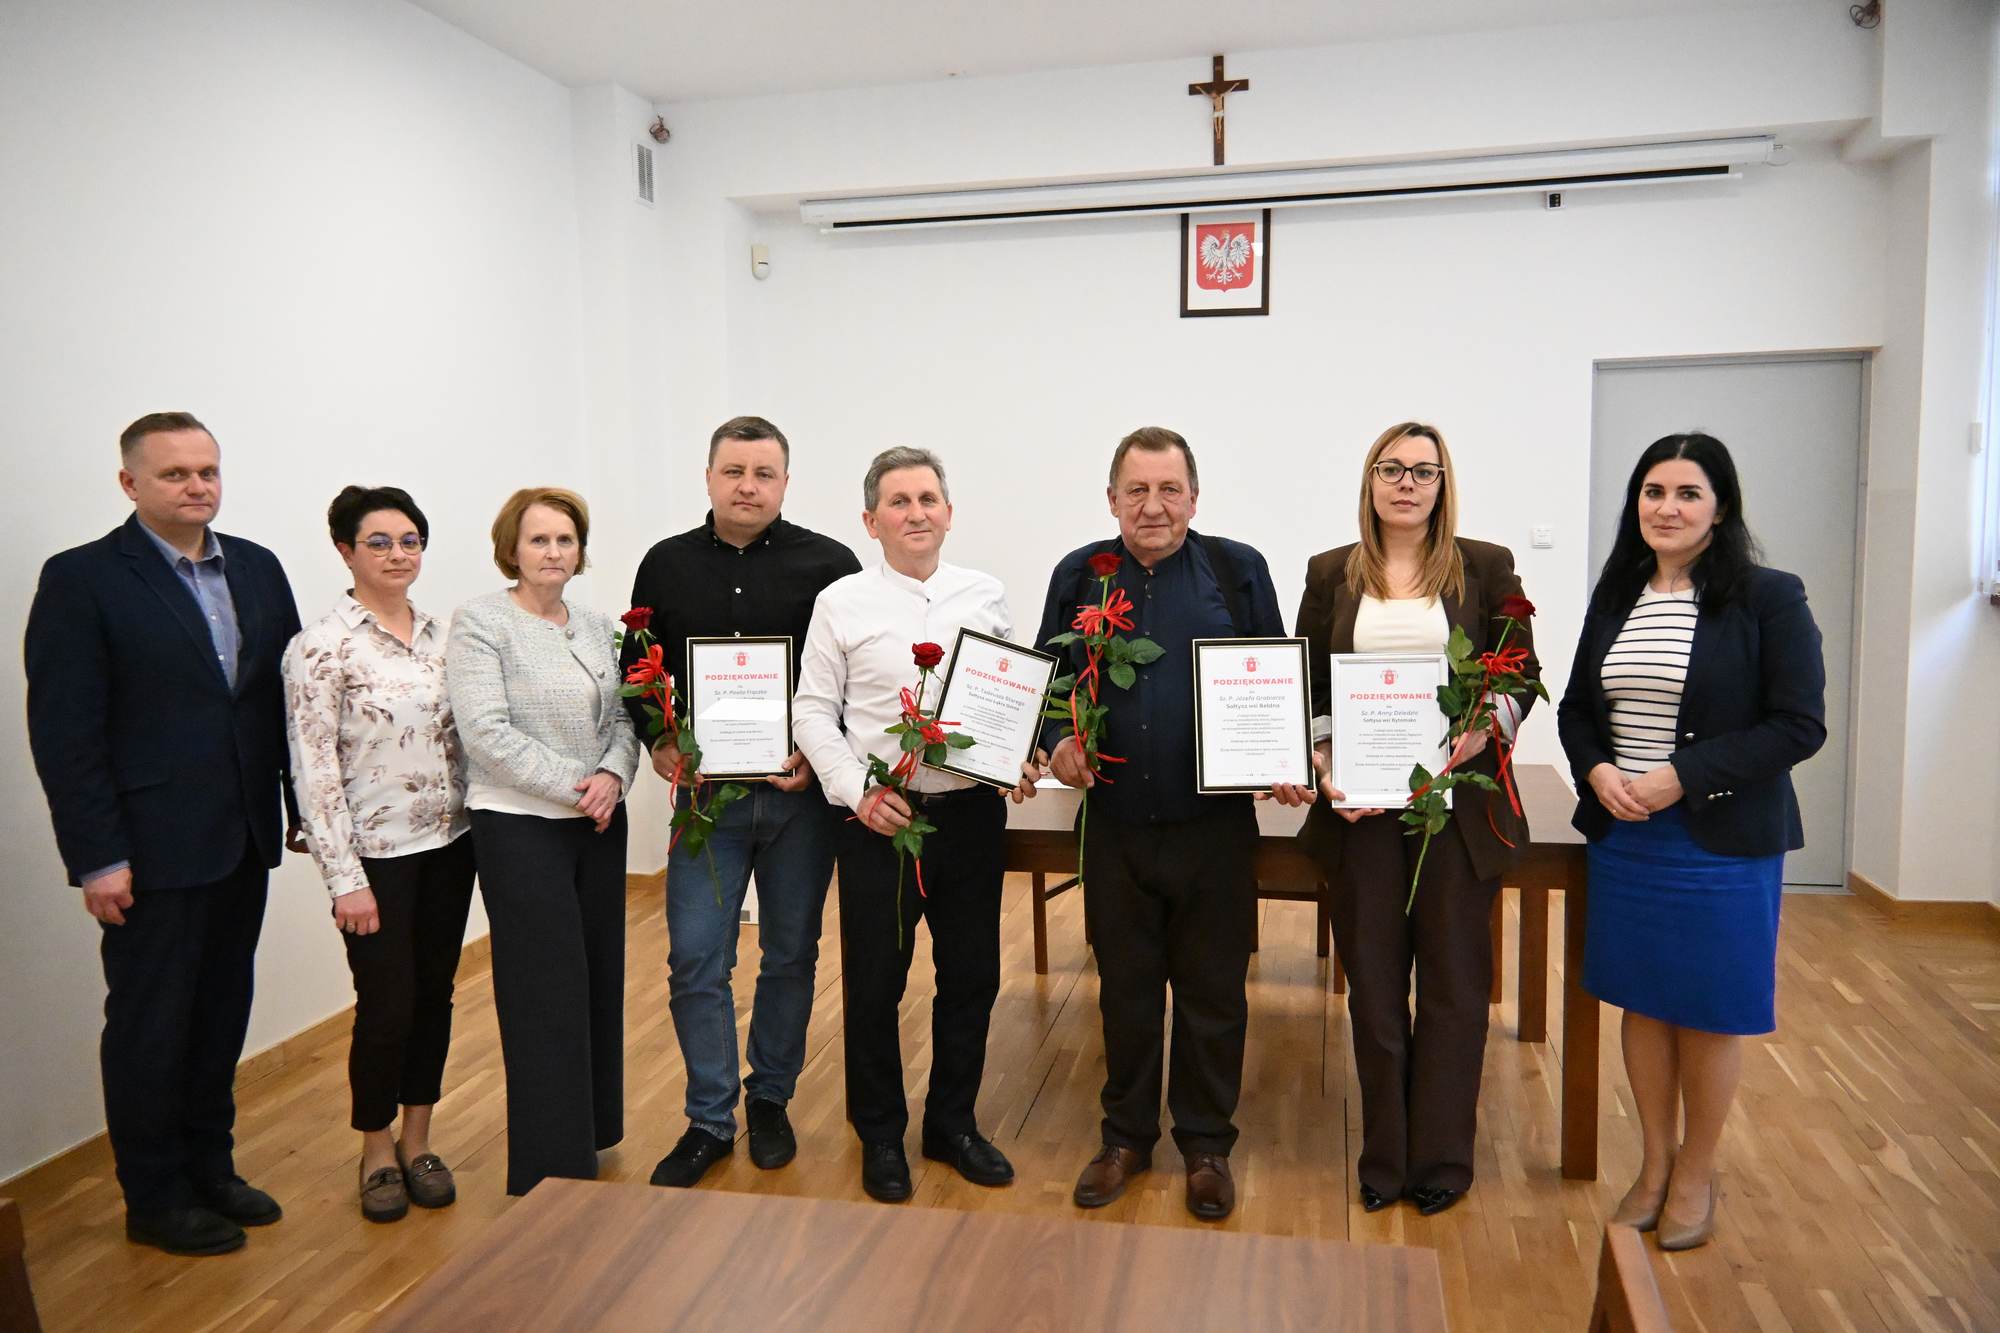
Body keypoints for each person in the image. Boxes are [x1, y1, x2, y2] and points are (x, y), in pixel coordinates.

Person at [24, 412, 302, 1256]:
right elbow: (66, 732)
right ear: (130, 483)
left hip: (241, 834)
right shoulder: (82, 579)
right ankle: (155, 1197)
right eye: (176, 473)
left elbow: (286, 701)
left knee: (220, 1015)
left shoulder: (256, 566)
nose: (197, 486)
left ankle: (212, 1169)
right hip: (147, 850)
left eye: (207, 470)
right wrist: (97, 857)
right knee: (152, 1027)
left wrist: (303, 811)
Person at [1558, 432, 1824, 1251]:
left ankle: (1697, 1172)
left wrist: (1682, 774)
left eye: (1687, 493)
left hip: (1721, 839)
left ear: (1721, 507)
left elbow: (1798, 724)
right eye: (1653, 491)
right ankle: (1653, 1163)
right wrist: (1598, 769)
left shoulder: (1769, 597)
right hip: (1627, 834)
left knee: (1708, 1009)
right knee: (1642, 1000)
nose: (1666, 508)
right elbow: (1576, 709)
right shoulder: (1618, 595)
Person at [1037, 426, 1306, 1223]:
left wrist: (1283, 752)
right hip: (1115, 824)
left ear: (1194, 496)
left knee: (1213, 992)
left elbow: (1274, 674)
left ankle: (1206, 1145)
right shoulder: (1080, 574)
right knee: (1123, 989)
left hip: (1214, 827)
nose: (1152, 506)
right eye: (1136, 490)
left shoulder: (1237, 568)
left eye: (1168, 489)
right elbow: (1049, 686)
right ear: (1111, 498)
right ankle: (1124, 1138)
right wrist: (1058, 740)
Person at [1294, 422, 1541, 1217]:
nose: (1407, 483)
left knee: (1454, 989)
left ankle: (1441, 1158)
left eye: (1423, 471)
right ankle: (1385, 1156)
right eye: (1392, 468)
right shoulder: (1330, 570)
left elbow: (1520, 676)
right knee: (1372, 991)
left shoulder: (1486, 565)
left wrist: (1474, 737)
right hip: (1362, 811)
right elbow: (1309, 686)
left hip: (1455, 808)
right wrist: (1325, 764)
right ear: (1370, 480)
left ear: (1443, 483)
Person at [793, 447, 1041, 1203]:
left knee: (972, 976)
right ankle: (879, 1133)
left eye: (928, 498)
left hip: (969, 816)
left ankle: (952, 1124)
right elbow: (812, 713)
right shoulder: (840, 602)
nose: (916, 513)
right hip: (880, 822)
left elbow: (1008, 699)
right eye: (898, 502)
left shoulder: (985, 594)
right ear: (871, 521)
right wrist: (857, 793)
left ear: (949, 513)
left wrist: (1020, 750)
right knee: (875, 983)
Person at [624, 417, 860, 1189]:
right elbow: (637, 667)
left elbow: (855, 678)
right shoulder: (664, 563)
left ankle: (770, 1099)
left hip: (800, 801)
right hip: (707, 802)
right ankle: (708, 1118)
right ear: (709, 477)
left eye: (764, 473)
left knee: (790, 953)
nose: (748, 486)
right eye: (734, 471)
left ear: (786, 482)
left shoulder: (832, 564)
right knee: (697, 957)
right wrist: (659, 738)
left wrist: (819, 753)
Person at [284, 486, 475, 1223]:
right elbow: (314, 772)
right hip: (375, 860)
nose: (398, 554)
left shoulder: (444, 636)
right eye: (380, 542)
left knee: (434, 995)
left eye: (410, 541)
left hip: (450, 846)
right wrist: (344, 880)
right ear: (345, 551)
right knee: (386, 1004)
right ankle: (375, 1147)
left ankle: (419, 1140)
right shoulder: (320, 648)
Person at [446, 487, 640, 1197]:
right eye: (539, 540)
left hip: (597, 824)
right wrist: (579, 788)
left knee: (596, 980)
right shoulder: (482, 622)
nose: (554, 552)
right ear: (512, 548)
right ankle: (549, 1169)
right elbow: (485, 733)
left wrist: (613, 776)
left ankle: (591, 1131)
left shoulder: (595, 624)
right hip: (520, 827)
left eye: (565, 539)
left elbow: (624, 718)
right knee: (544, 992)